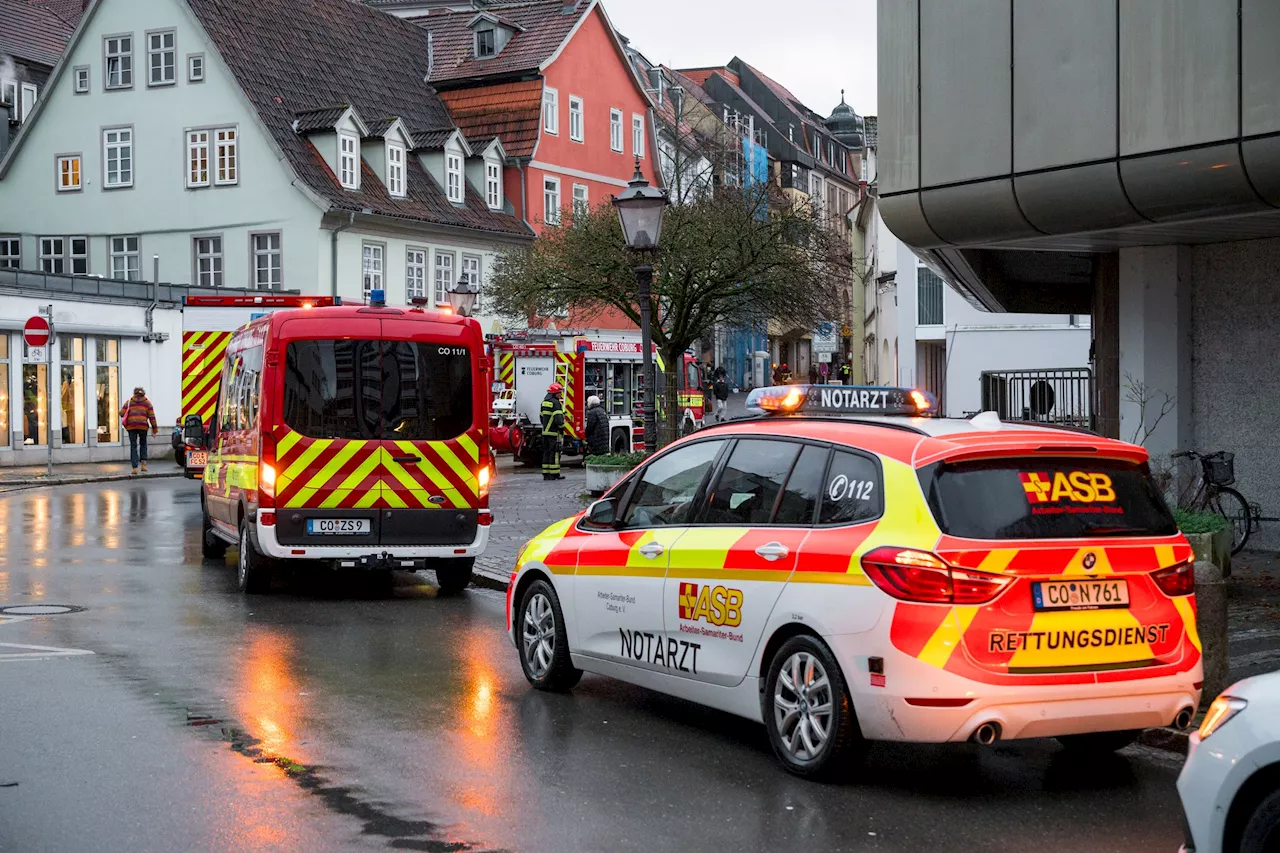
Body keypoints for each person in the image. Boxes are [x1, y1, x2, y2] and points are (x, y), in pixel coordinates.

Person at [119, 387, 158, 475]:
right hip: (143, 427)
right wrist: (155, 429)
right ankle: (143, 465)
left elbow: (121, 413)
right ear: (143, 393)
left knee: (133, 446)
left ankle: (134, 468)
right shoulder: (147, 403)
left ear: (134, 393)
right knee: (143, 444)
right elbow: (152, 417)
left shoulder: (129, 402)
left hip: (131, 426)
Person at [540, 382, 566, 480]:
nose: (561, 395)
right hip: (554, 433)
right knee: (554, 453)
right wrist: (562, 427)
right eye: (559, 393)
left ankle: (546, 474)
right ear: (555, 393)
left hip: (545, 432)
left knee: (546, 452)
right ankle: (554, 474)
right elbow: (559, 420)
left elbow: (541, 417)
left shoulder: (544, 402)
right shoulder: (556, 403)